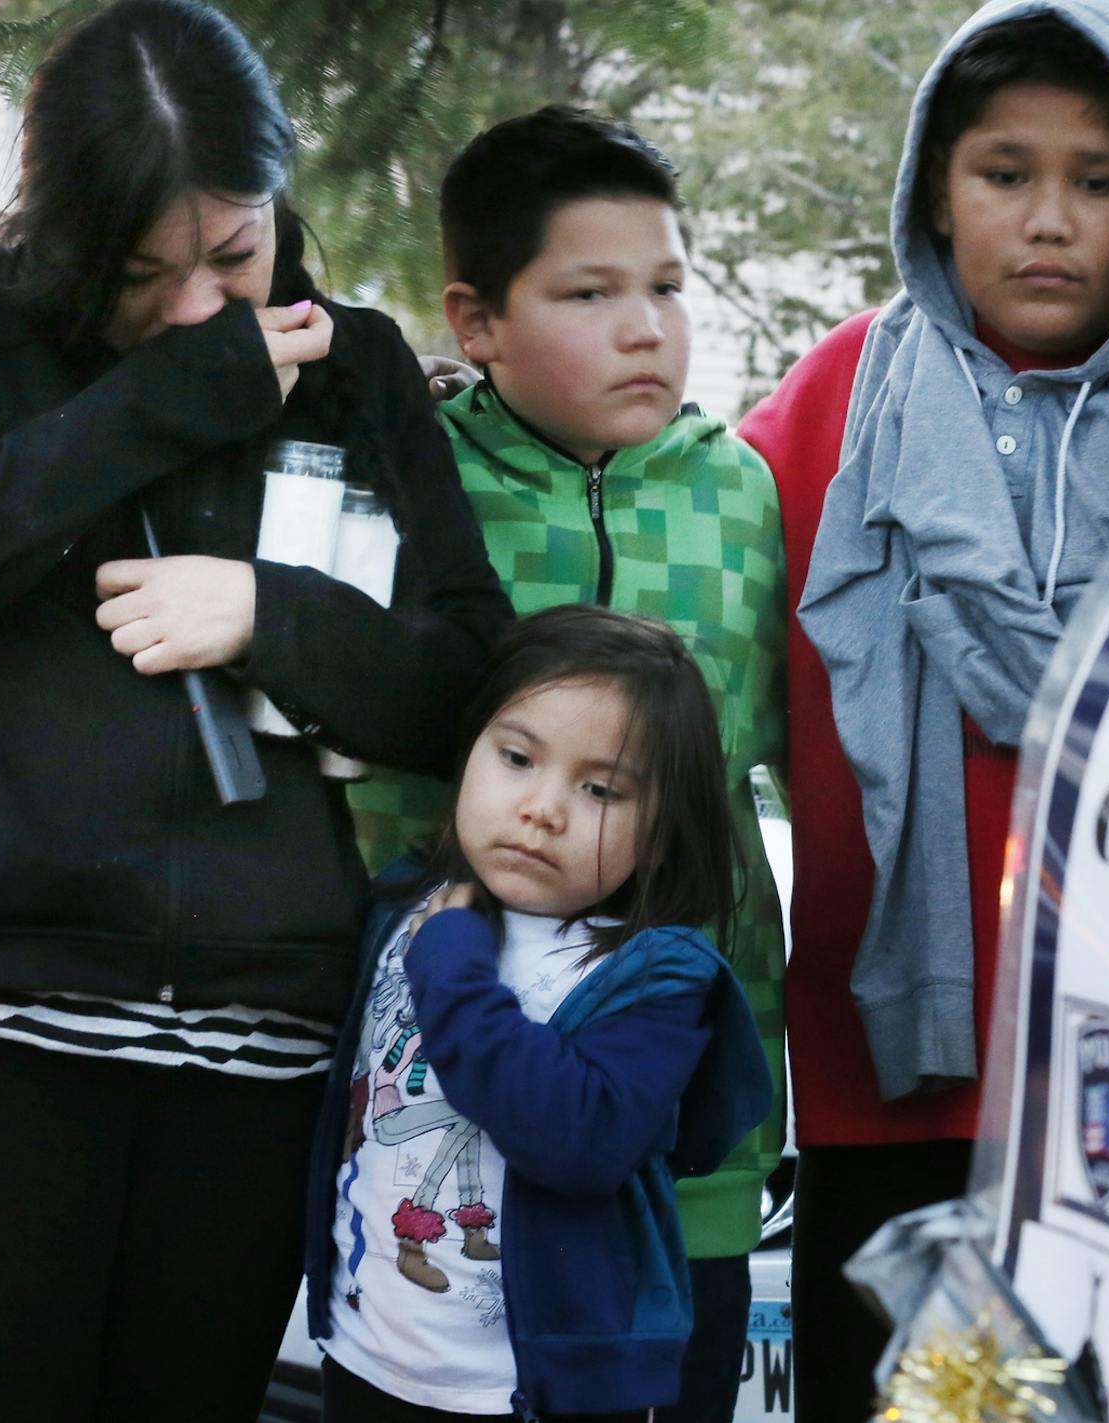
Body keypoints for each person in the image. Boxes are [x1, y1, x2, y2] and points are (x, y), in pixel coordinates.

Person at [0, 1, 512, 1418]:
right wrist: (189, 387)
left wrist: (271, 613)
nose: (198, 302)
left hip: (257, 1016)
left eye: (236, 254)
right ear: (58, 232)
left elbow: (468, 677)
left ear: (280, 199)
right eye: (142, 272)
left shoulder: (357, 369)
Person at [737, 0, 1109, 1414]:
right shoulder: (841, 393)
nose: (1050, 220)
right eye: (1004, 173)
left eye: (1101, 178)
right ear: (933, 190)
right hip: (890, 1087)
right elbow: (681, 621)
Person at [345, 107, 786, 1422]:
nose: (646, 325)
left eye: (665, 286)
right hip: (428, 1114)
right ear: (475, 321)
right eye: (589, 293)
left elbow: (757, 774)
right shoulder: (415, 480)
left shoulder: (743, 489)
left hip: (672, 1132)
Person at [304, 606, 773, 1422]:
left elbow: (578, 1136)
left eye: (600, 788)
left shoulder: (654, 974)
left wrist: (451, 961)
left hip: (536, 1394)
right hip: (367, 1357)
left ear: (659, 836)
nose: (543, 808)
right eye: (517, 757)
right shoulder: (404, 906)